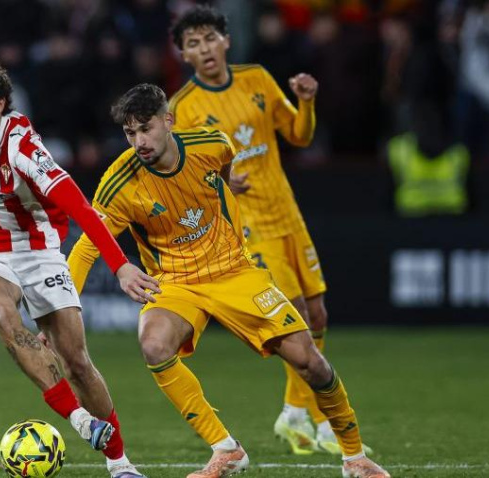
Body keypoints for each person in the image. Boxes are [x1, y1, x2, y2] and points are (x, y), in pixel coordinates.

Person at [67, 83, 390, 478]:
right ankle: (226, 449)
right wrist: (63, 309)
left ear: (168, 121)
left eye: (146, 129)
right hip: (176, 280)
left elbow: (225, 162)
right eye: (130, 133)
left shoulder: (210, 144)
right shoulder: (120, 182)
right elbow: (87, 246)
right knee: (153, 344)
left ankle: (355, 457)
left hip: (234, 269)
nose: (139, 142)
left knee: (310, 362)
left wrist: (224, 188)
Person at [0, 55, 155, 478]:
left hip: (37, 251)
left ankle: (120, 463)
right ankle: (80, 421)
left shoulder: (22, 146)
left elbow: (82, 209)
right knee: (1, 314)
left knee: (77, 362)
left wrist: (121, 266)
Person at [168, 6, 360, 456]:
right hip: (248, 227)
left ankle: (296, 410)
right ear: (183, 55)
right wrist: (218, 182)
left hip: (288, 214)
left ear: (226, 41)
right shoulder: (182, 109)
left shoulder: (256, 78)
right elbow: (177, 177)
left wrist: (306, 101)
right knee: (296, 314)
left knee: (318, 315)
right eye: (193, 43)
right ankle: (319, 419)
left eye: (210, 38)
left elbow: (299, 135)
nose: (204, 49)